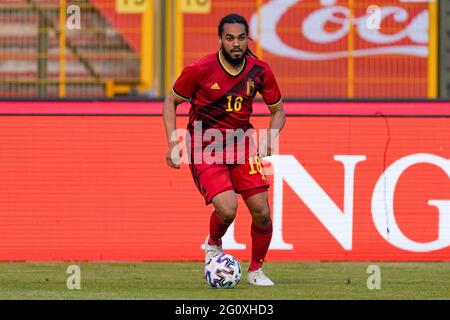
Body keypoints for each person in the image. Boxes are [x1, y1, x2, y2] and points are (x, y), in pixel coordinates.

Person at [162, 13, 286, 286]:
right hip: (206, 147)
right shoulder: (201, 69)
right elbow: (170, 101)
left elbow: (278, 111)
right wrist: (173, 141)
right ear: (220, 39)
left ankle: (256, 270)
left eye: (241, 38)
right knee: (228, 209)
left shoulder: (260, 71)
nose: (236, 44)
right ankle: (213, 244)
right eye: (229, 38)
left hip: (242, 146)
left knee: (262, 211)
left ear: (247, 40)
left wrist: (270, 136)